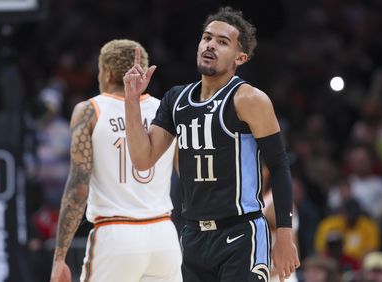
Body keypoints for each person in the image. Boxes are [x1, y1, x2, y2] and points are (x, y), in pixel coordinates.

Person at [124, 6, 300, 282]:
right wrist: (132, 102)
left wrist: (285, 235)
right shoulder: (176, 99)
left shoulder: (249, 99)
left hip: (241, 233)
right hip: (193, 235)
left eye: (222, 42)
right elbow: (142, 159)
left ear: (240, 57)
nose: (210, 45)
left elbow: (279, 166)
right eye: (207, 38)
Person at [50, 39, 181, 282]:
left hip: (116, 235)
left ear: (107, 73)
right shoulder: (166, 110)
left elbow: (78, 187)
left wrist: (59, 257)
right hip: (164, 235)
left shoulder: (90, 110)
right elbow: (189, 177)